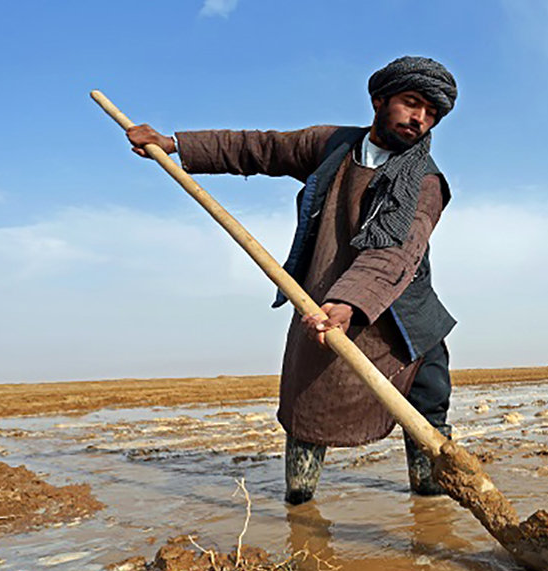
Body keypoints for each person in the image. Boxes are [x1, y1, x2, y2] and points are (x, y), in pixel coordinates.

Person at [126, 56, 458, 502]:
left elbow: (394, 252)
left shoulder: (425, 181)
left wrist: (351, 303)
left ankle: (432, 500)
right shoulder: (333, 146)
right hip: (322, 299)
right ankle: (300, 511)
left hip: (402, 312)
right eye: (412, 104)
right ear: (380, 100)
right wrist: (175, 145)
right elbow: (259, 148)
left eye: (431, 113)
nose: (419, 119)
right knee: (309, 402)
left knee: (429, 405)